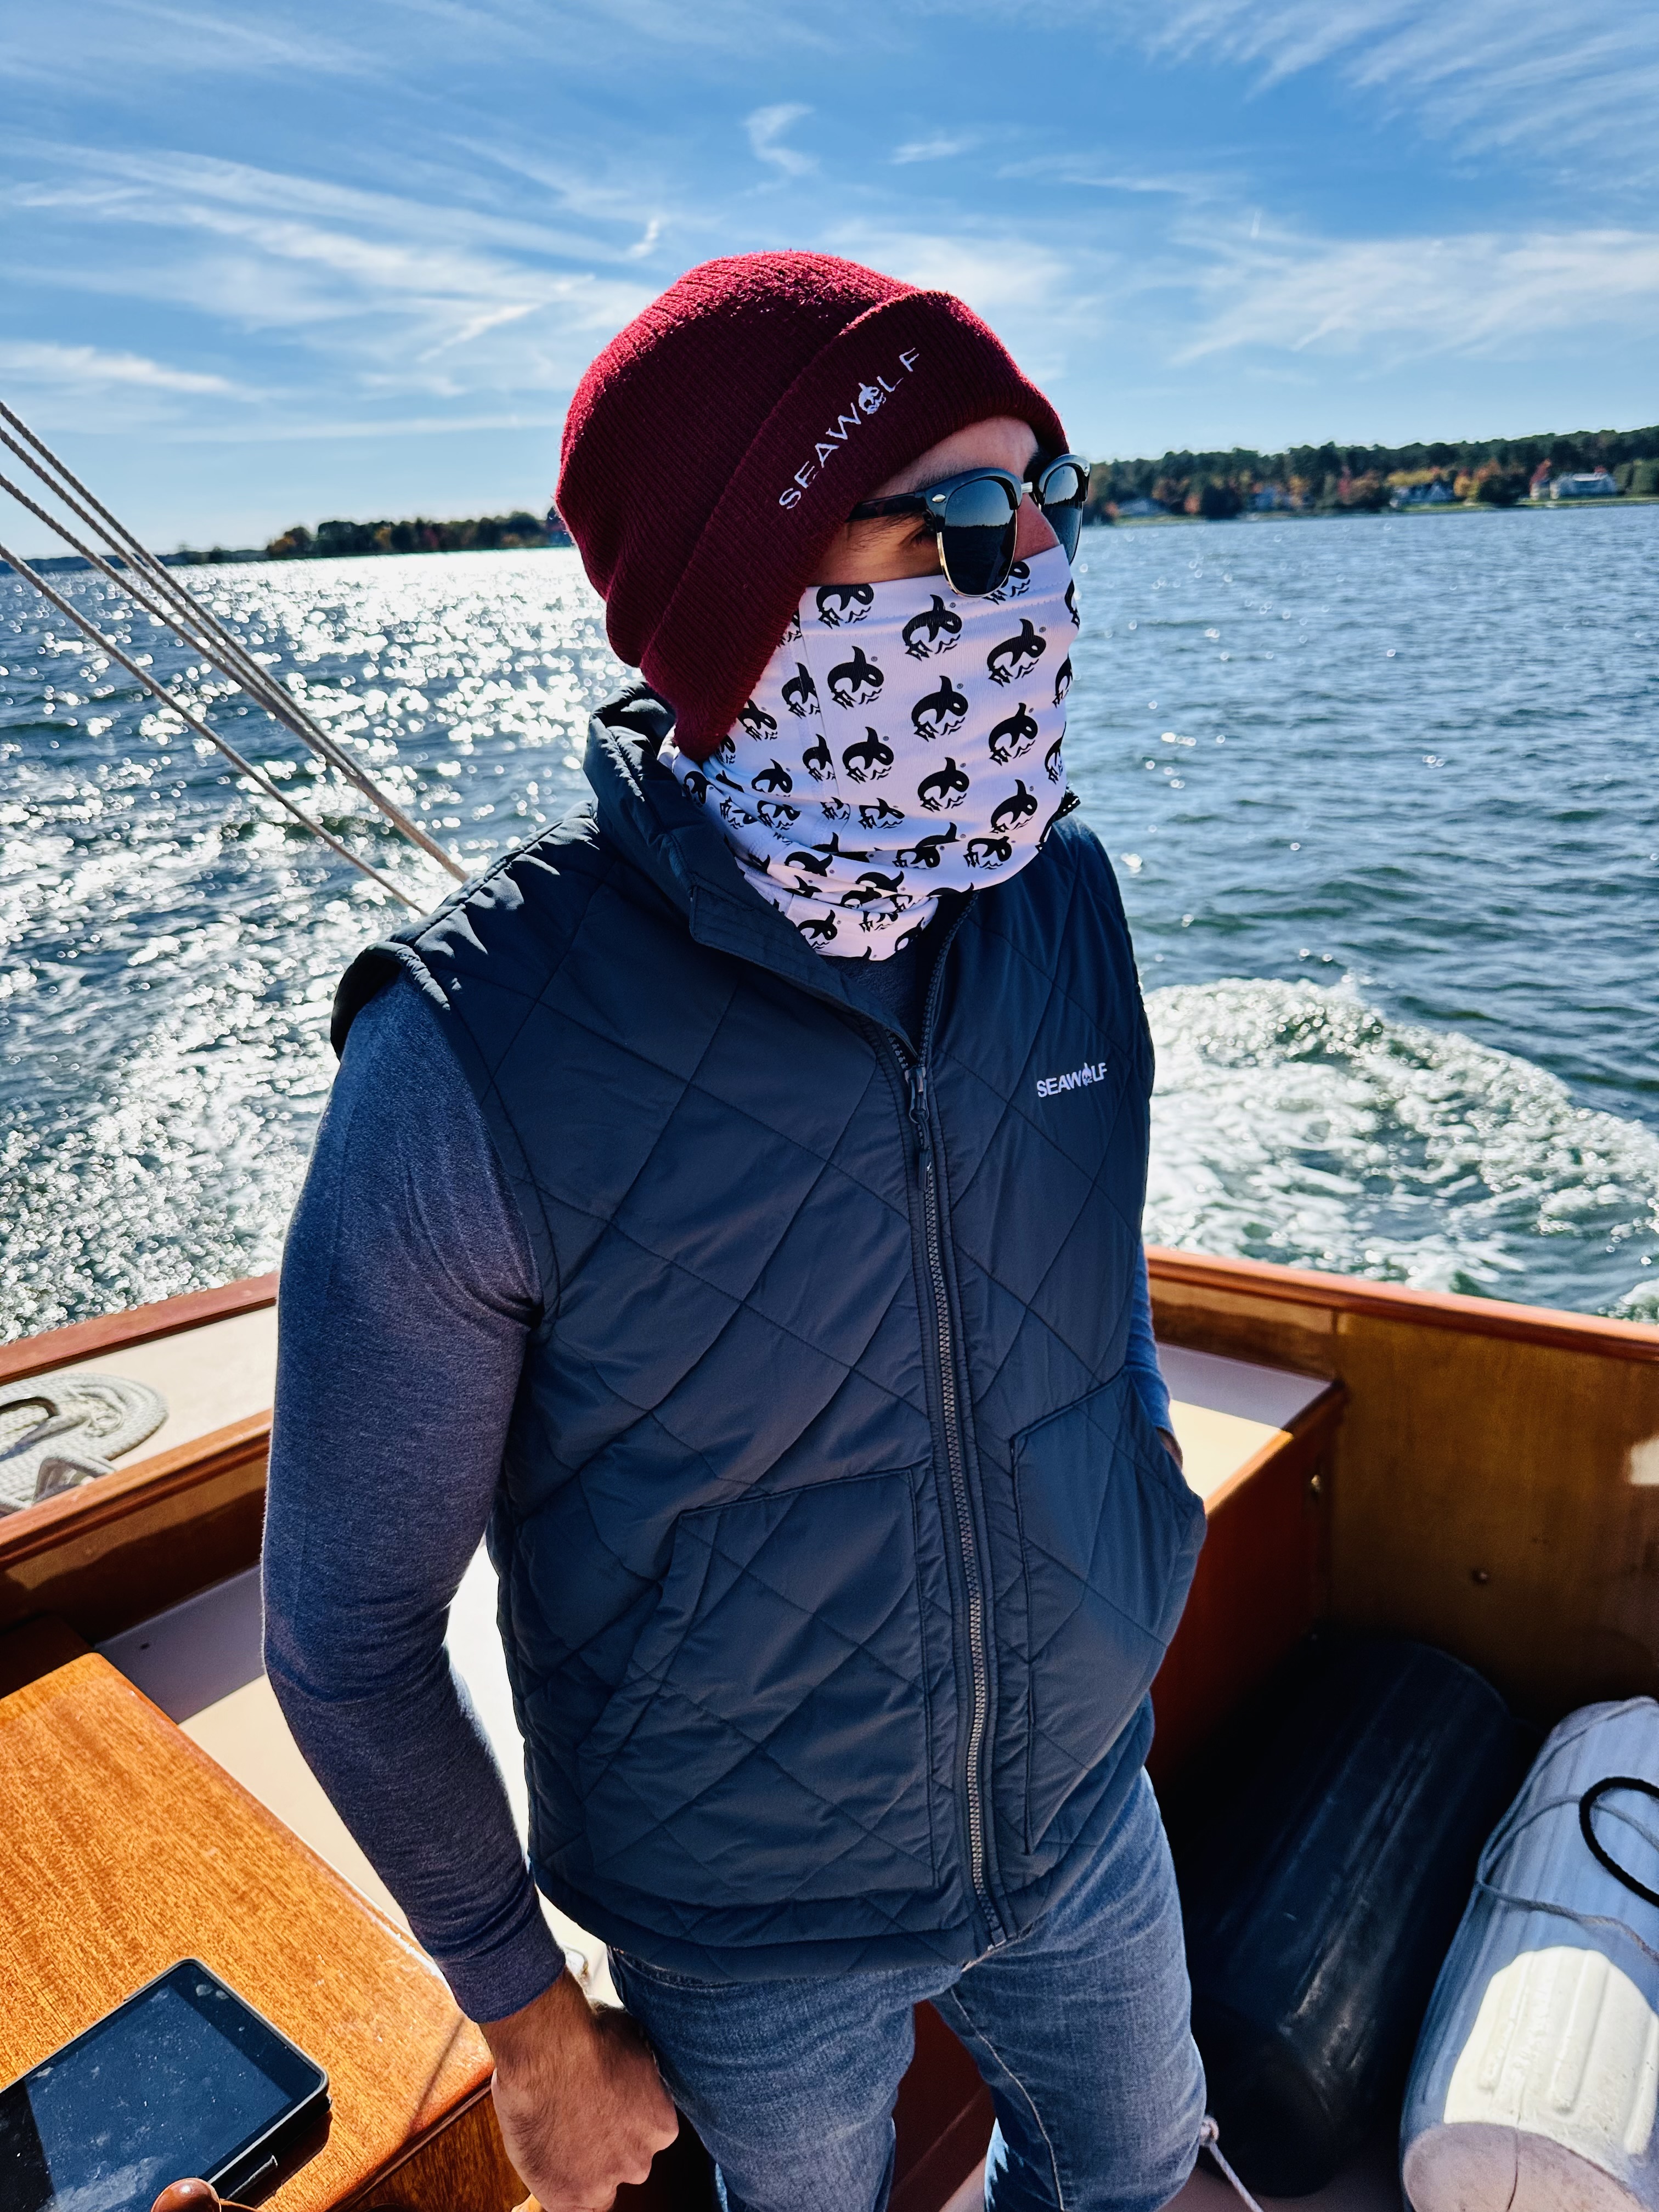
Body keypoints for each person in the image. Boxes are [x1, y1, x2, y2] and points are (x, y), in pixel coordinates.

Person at [264, 251, 1208, 2212]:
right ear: (746, 593)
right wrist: (532, 2029)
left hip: (1086, 1810)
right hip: (745, 1930)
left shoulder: (1064, 903)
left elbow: (1094, 1292)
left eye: (1055, 493)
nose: (1037, 564)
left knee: (1129, 2176)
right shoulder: (469, 1059)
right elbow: (345, 1639)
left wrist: (1144, 1525)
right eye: (961, 520)